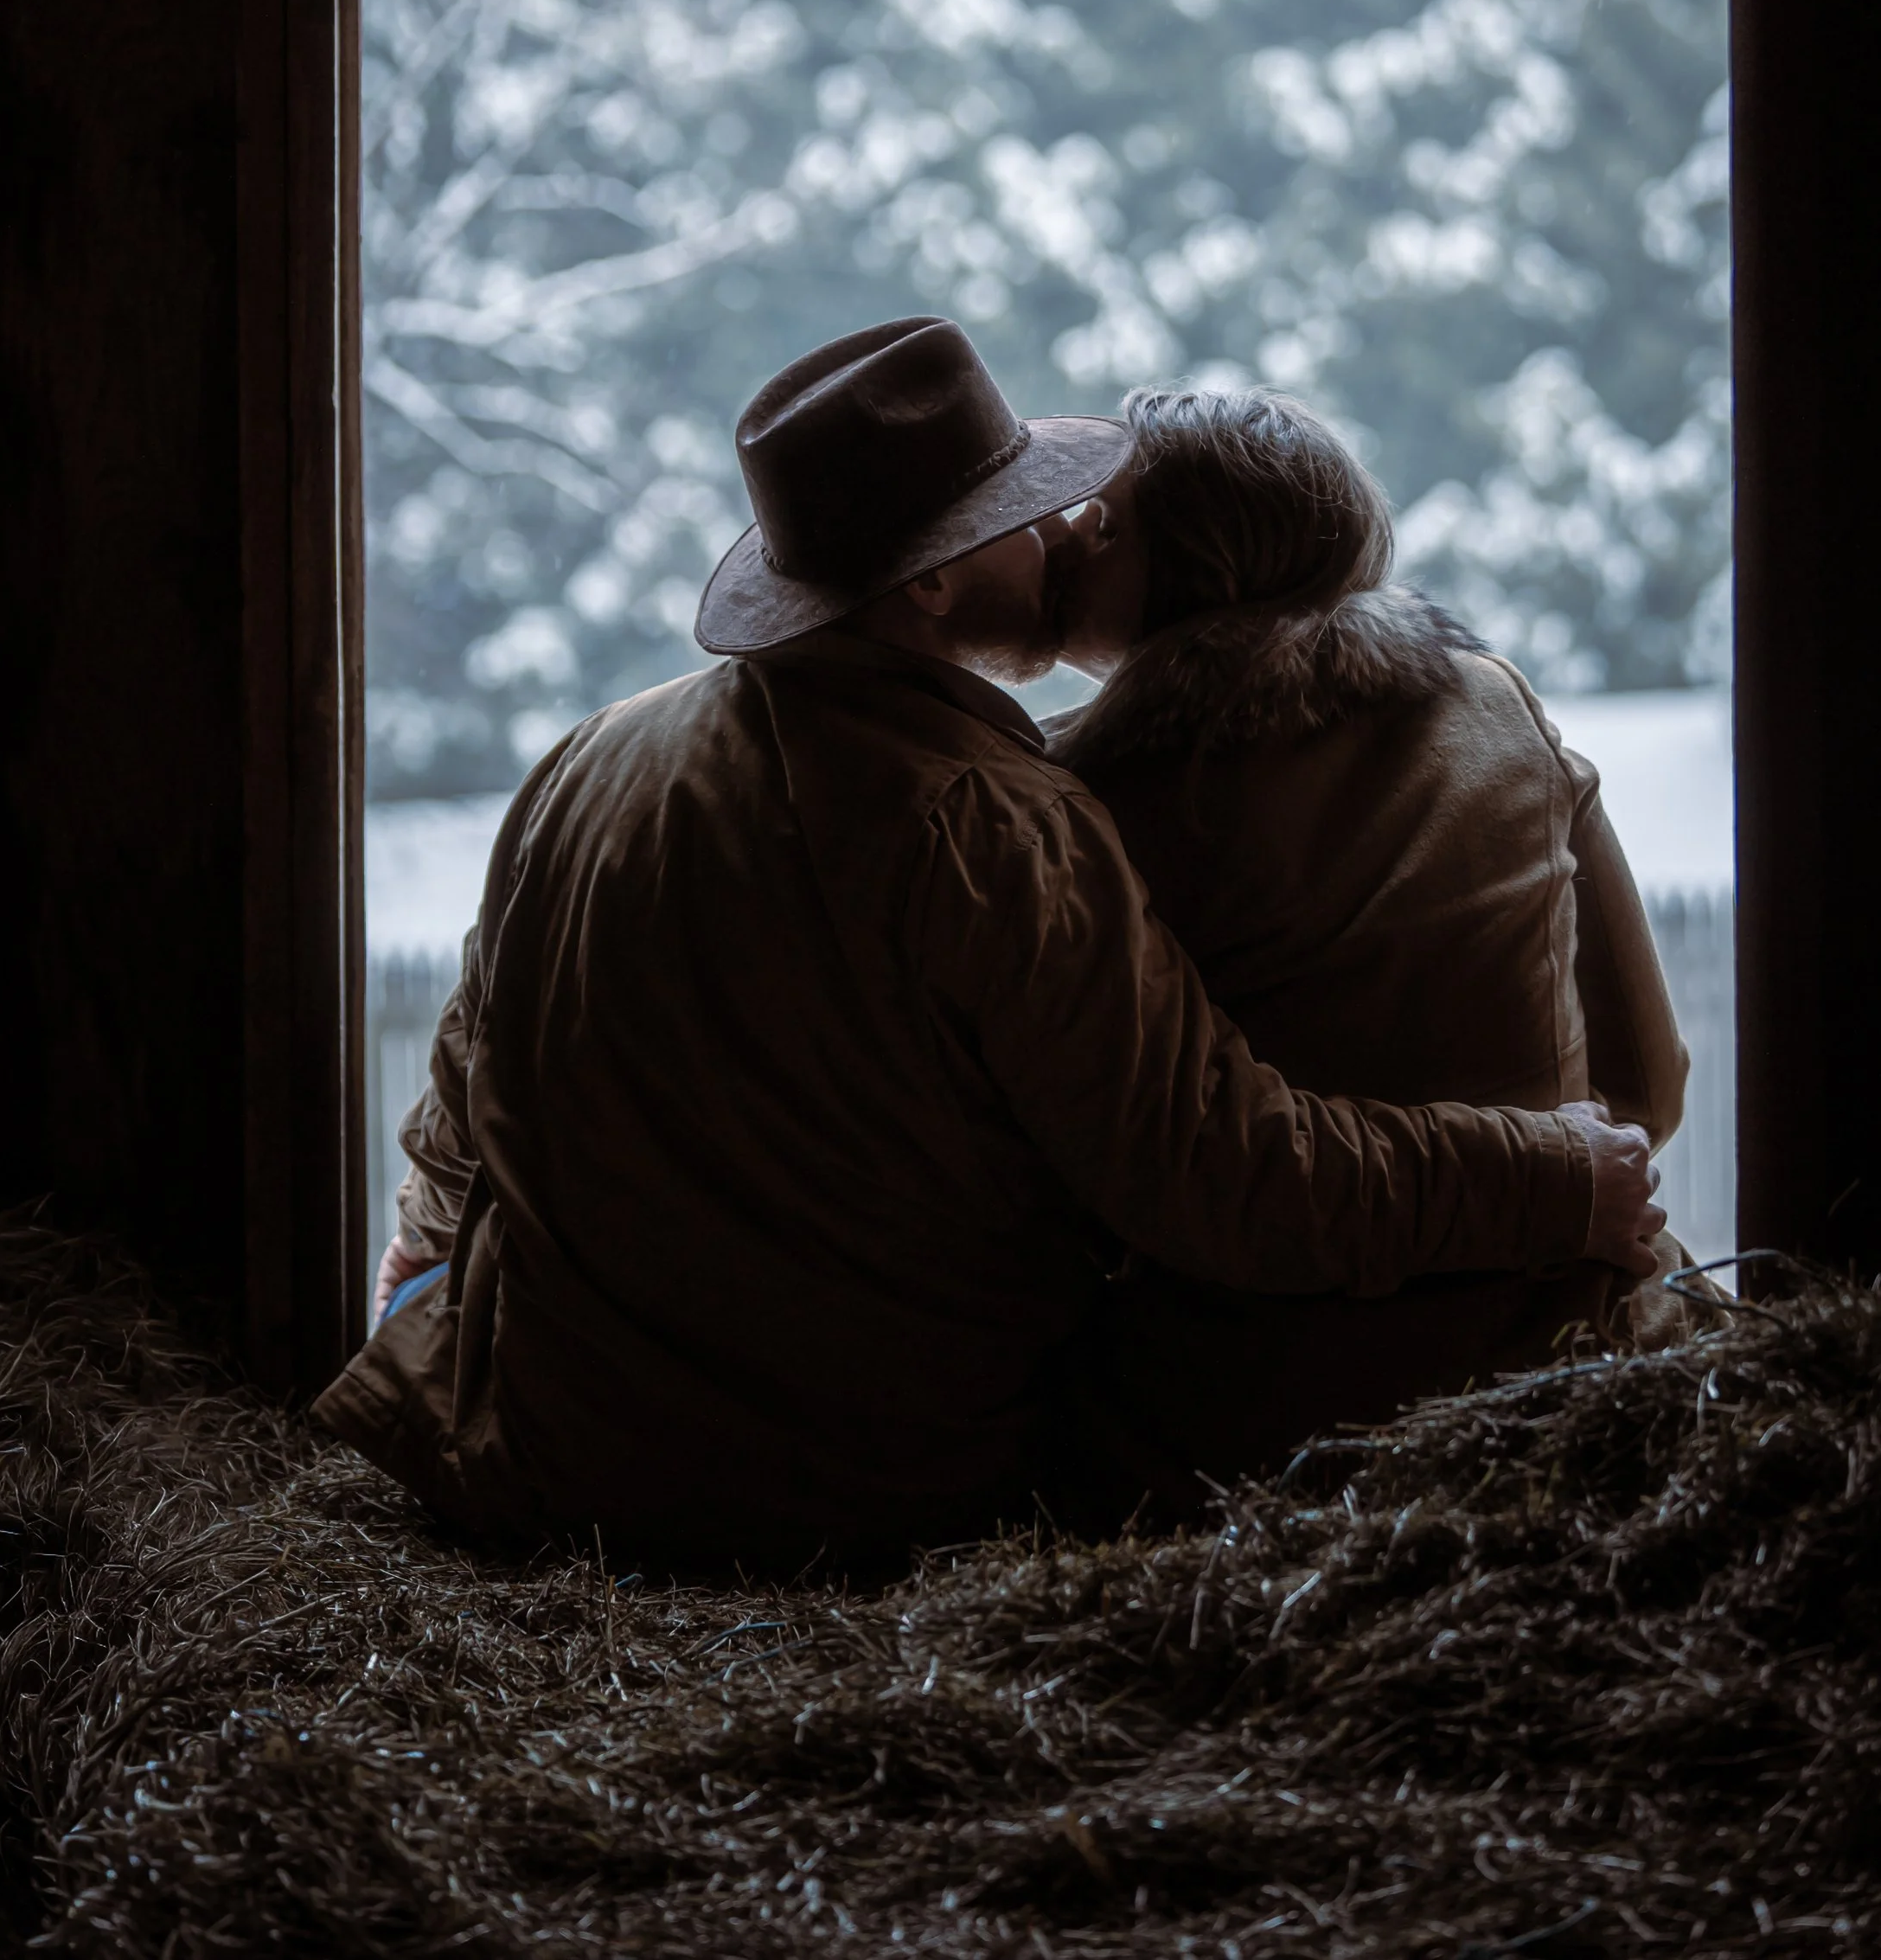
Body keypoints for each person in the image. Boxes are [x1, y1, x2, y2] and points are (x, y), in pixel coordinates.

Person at [317, 318, 1662, 1569]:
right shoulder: (997, 824)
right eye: (1027, 514)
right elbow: (1218, 1170)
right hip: (840, 1511)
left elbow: (461, 1095)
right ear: (946, 578)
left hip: (531, 1461)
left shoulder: (590, 751)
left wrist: (421, 1282)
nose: (1063, 535)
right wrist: (1545, 1180)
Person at [1045, 381, 1694, 1487]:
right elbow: (1649, 1086)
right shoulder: (1492, 704)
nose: (1066, 533)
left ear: (1171, 556)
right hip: (1574, 1366)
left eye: (1098, 519)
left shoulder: (1064, 801)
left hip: (1265, 1429)